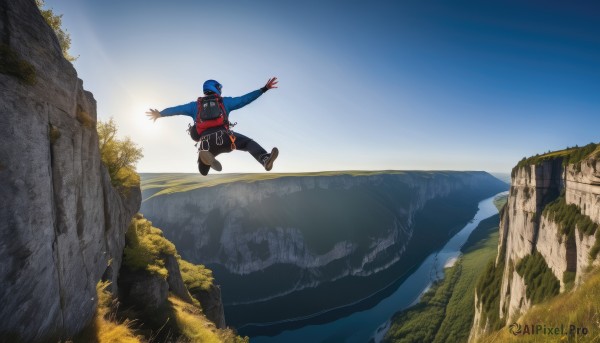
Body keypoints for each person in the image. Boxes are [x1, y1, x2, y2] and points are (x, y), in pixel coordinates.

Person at [146, 77, 279, 175]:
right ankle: (265, 159)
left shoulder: (195, 106)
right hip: (226, 138)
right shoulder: (224, 102)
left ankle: (205, 160)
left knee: (203, 171)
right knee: (248, 143)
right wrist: (264, 89)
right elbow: (244, 99)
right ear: (216, 88)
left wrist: (160, 114)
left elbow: (177, 109)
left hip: (206, 142)